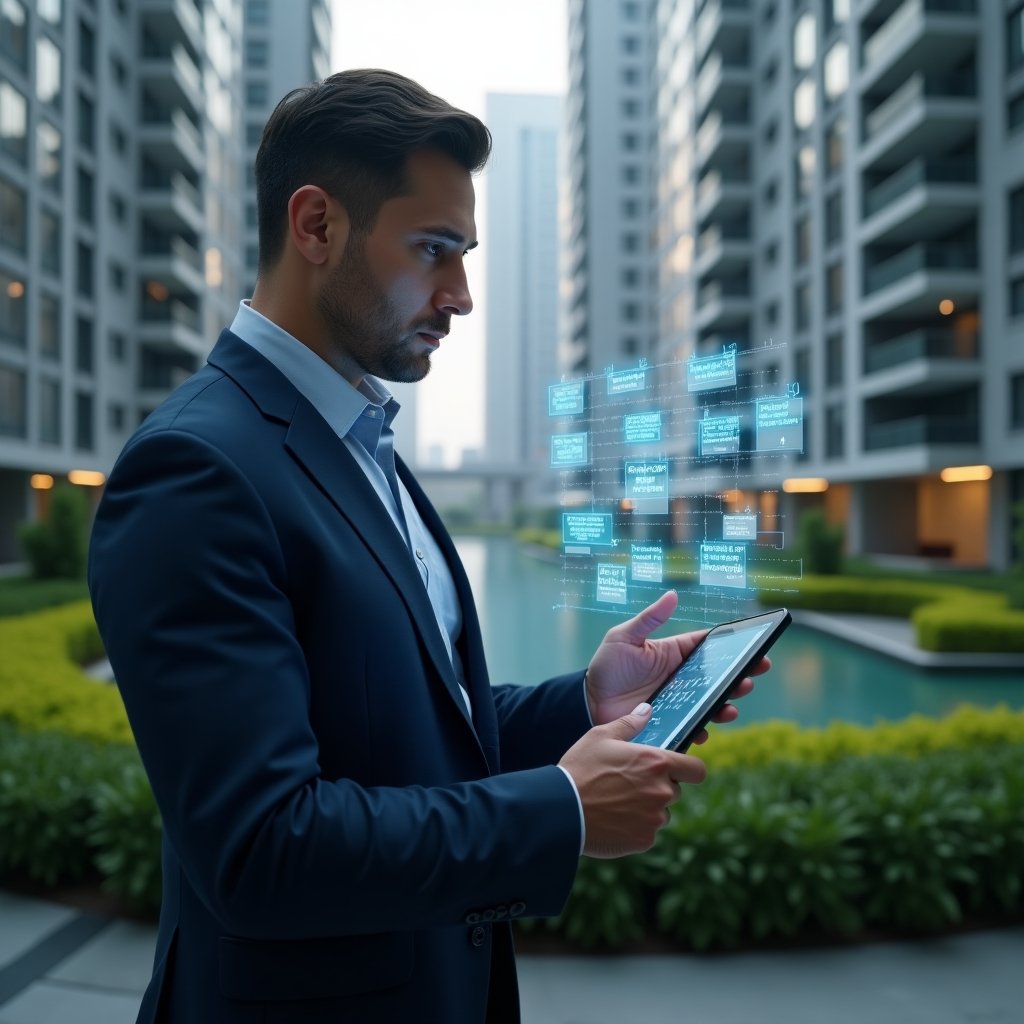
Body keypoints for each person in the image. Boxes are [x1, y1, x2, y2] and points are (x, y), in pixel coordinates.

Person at [88, 69, 763, 1024]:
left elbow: (405, 729)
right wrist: (562, 810)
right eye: (434, 250)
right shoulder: (195, 469)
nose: (463, 296)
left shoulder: (363, 446)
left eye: (466, 254)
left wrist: (584, 702)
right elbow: (259, 849)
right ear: (316, 227)